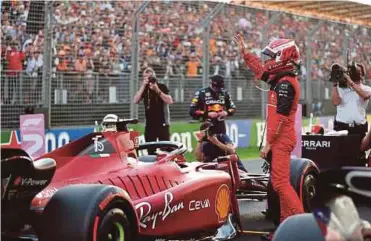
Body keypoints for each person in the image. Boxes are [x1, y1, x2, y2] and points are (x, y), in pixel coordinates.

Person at [234, 33, 304, 240]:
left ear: (283, 57)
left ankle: (302, 224)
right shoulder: (281, 79)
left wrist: (268, 144)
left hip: (281, 139)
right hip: (281, 138)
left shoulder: (285, 83)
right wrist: (246, 53)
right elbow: (260, 70)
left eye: (271, 57)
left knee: (280, 184)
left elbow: (279, 119)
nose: (267, 61)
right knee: (279, 183)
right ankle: (285, 227)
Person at [194, 121, 266, 191]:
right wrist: (199, 141)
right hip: (217, 171)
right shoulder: (204, 144)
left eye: (210, 130)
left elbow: (232, 150)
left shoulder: (222, 137)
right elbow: (198, 158)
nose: (210, 133)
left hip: (234, 168)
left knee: (242, 183)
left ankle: (262, 187)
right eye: (207, 132)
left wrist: (217, 143)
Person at [331, 62, 371, 165]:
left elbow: (365, 96)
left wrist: (350, 82)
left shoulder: (366, 88)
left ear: (362, 75)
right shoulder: (340, 88)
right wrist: (335, 84)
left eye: (358, 71)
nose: (354, 72)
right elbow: (335, 102)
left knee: (357, 157)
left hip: (358, 129)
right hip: (341, 127)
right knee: (340, 158)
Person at [133, 68, 173, 155]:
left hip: (163, 124)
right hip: (149, 125)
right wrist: (143, 85)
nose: (149, 79)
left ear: (154, 77)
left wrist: (157, 90)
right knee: (151, 151)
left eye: (150, 77)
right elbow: (135, 101)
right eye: (146, 77)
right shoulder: (144, 89)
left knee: (166, 150)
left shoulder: (161, 86)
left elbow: (170, 101)